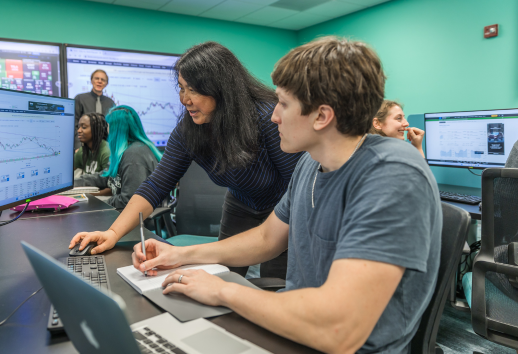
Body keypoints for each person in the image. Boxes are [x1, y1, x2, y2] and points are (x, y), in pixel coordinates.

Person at [130, 37, 442, 353]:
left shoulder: (394, 176)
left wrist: (224, 292)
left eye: (283, 103)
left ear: (322, 116)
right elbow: (267, 239)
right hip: (291, 329)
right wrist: (181, 255)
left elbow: (340, 331)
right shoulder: (310, 163)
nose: (274, 115)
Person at [69, 42, 303, 279]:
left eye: (193, 90)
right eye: (181, 88)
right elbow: (156, 185)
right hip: (241, 203)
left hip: (284, 206)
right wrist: (112, 233)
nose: (184, 99)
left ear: (221, 89)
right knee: (226, 273)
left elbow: (298, 189)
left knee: (276, 280)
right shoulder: (189, 129)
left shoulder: (267, 119)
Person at [74, 105, 162, 212]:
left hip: (137, 221)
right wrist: (73, 183)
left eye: (109, 125)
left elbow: (128, 201)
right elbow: (105, 177)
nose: (107, 130)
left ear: (116, 129)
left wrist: (96, 205)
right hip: (122, 212)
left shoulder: (134, 156)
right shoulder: (124, 151)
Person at [73, 69, 115, 149]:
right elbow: (75, 125)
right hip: (84, 147)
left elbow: (113, 127)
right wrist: (78, 146)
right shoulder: (80, 99)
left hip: (104, 148)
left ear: (106, 84)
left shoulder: (110, 103)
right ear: (92, 81)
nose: (99, 81)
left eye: (103, 80)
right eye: (97, 78)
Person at [74, 112, 110, 177]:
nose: (79, 130)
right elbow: (68, 170)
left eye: (84, 127)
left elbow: (108, 181)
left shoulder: (106, 152)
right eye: (79, 127)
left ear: (96, 130)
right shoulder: (82, 151)